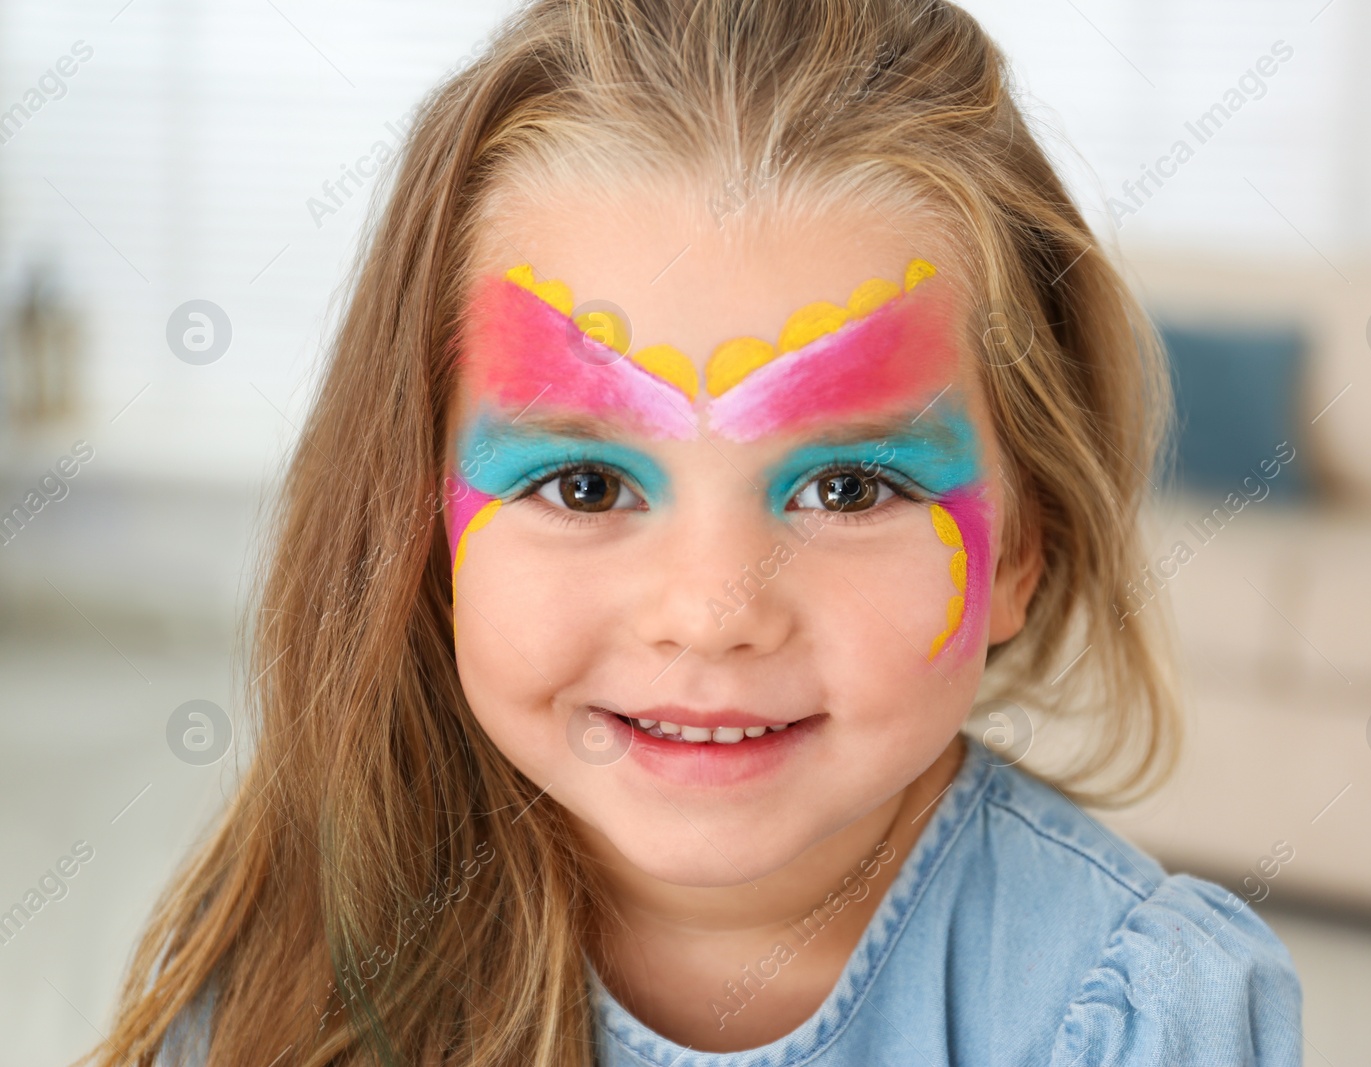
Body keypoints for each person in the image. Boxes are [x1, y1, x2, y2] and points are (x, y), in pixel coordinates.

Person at [92, 0, 1302, 1063]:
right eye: (583, 484)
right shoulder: (300, 963)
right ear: (421, 527)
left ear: (1021, 548)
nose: (713, 611)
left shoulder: (1131, 1019)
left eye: (846, 488)